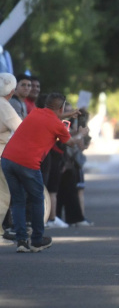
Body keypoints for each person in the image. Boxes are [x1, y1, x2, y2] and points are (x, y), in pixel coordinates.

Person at [2, 93, 88, 252]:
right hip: (28, 163)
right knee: (37, 199)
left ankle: (21, 241)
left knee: (18, 200)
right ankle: (37, 239)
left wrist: (67, 114)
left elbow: (50, 115)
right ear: (61, 107)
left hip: (7, 159)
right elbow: (70, 142)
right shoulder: (57, 125)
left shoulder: (35, 112)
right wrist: (82, 133)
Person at [0, 73, 22, 236]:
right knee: (3, 194)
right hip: (2, 154)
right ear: (12, 90)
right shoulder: (4, 105)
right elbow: (21, 129)